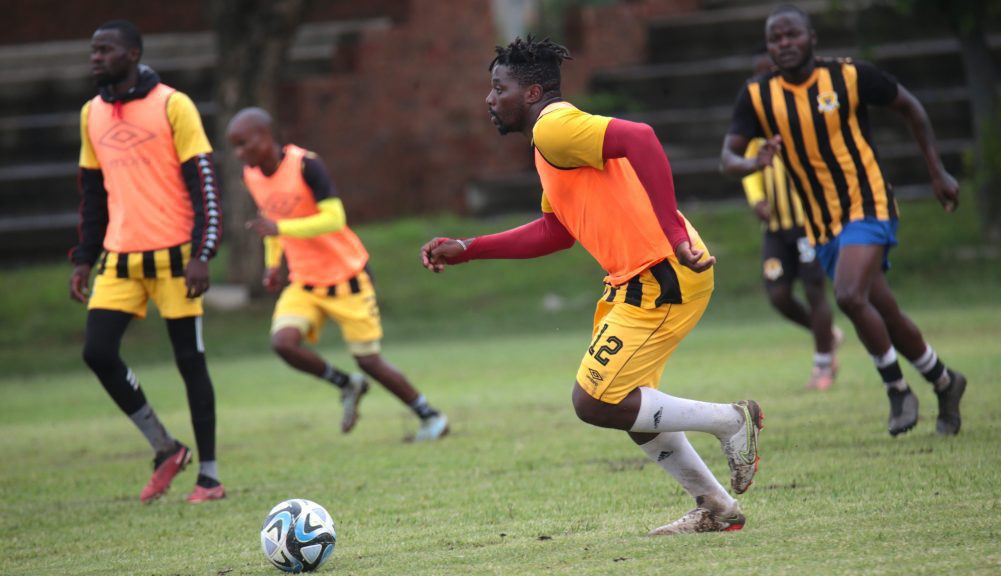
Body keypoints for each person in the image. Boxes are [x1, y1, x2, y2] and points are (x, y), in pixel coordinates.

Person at [420, 36, 763, 535]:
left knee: (595, 400)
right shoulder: (549, 141)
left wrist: (671, 232)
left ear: (533, 92)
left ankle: (733, 421)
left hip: (661, 274)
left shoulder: (555, 125)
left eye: (500, 88)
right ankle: (715, 505)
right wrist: (470, 248)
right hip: (639, 279)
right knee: (626, 404)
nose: (490, 99)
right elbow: (555, 231)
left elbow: (642, 137)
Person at [720, 5, 967, 436]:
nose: (784, 44)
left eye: (792, 35)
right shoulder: (758, 96)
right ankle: (945, 381)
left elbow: (910, 106)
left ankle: (897, 390)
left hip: (868, 202)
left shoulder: (850, 76)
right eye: (775, 38)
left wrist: (937, 170)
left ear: (811, 37)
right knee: (883, 309)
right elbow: (727, 158)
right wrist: (752, 163)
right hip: (820, 223)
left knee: (850, 296)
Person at [69, 20, 224, 503]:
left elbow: (205, 185)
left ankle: (210, 477)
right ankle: (165, 447)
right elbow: (93, 195)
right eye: (93, 50)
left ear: (133, 53)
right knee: (97, 352)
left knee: (189, 362)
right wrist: (83, 259)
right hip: (119, 260)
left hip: (176, 259)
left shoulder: (173, 105)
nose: (96, 58)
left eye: (106, 50)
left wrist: (202, 253)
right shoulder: (90, 114)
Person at [226, 107, 448, 442]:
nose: (240, 153)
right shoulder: (251, 175)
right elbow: (269, 222)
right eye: (235, 147)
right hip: (304, 281)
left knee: (369, 361)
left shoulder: (306, 165)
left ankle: (430, 417)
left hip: (348, 277)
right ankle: (346, 385)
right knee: (283, 343)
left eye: (244, 144)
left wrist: (280, 227)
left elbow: (334, 218)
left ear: (265, 136)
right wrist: (274, 264)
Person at [740, 48, 842, 391]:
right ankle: (828, 335)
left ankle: (823, 365)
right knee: (779, 296)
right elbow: (749, 165)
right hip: (775, 227)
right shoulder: (755, 126)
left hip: (809, 223)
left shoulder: (803, 116)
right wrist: (757, 198)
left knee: (815, 291)